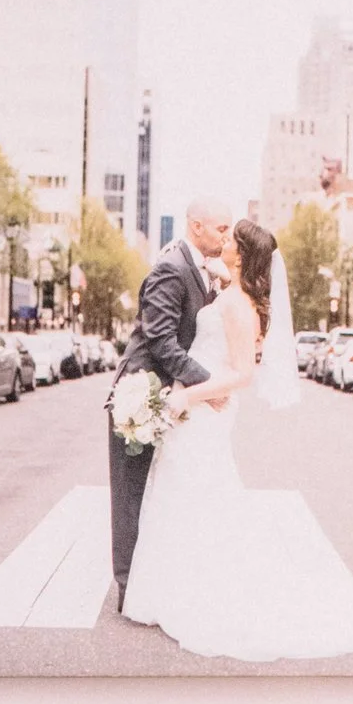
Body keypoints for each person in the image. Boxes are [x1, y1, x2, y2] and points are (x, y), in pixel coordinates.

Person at [121, 212, 353, 659]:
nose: (224, 240)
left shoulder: (239, 306)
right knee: (185, 491)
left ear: (241, 252)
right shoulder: (231, 291)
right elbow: (218, 290)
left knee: (196, 492)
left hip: (205, 407)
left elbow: (242, 375)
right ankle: (171, 587)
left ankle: (199, 590)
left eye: (231, 238)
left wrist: (187, 397)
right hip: (197, 405)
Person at [108, 202, 232, 607]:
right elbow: (161, 341)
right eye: (220, 228)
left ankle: (153, 582)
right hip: (142, 395)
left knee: (156, 492)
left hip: (174, 398)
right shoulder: (171, 267)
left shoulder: (201, 269)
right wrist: (209, 385)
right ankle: (128, 588)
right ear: (197, 227)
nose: (225, 237)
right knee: (131, 493)